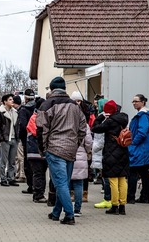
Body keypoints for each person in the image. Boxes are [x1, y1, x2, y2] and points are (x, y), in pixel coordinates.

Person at [37, 76, 87, 225]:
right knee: (63, 182)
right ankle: (56, 212)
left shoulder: (46, 105)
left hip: (55, 148)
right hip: (71, 149)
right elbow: (83, 129)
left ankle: (69, 215)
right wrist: (76, 143)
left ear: (51, 89)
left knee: (60, 184)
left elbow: (41, 129)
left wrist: (43, 148)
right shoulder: (75, 106)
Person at [91, 100, 130, 215]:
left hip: (111, 152)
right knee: (122, 180)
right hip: (123, 152)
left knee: (113, 180)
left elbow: (95, 128)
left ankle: (114, 205)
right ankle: (123, 205)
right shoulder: (123, 119)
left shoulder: (110, 121)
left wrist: (100, 117)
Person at [127, 94, 149, 204]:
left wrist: (133, 143)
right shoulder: (145, 115)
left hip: (141, 148)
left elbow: (142, 132)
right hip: (146, 148)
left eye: (136, 101)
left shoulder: (143, 116)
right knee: (144, 173)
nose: (134, 103)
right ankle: (145, 197)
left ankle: (130, 197)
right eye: (133, 101)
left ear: (143, 102)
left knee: (133, 172)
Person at [0, 93, 20, 187]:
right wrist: (1, 139)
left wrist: (18, 137)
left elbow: (17, 126)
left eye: (12, 99)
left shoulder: (15, 112)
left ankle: (11, 178)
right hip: (5, 139)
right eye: (10, 99)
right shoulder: (0, 112)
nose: (12, 101)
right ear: (5, 101)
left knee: (12, 161)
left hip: (14, 139)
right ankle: (3, 179)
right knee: (3, 160)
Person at [26, 97, 48, 203]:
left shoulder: (38, 117)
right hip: (35, 151)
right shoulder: (34, 118)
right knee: (38, 173)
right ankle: (38, 195)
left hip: (39, 151)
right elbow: (37, 132)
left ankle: (40, 193)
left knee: (41, 173)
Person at [91, 98, 113, 209]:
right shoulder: (118, 119)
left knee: (106, 177)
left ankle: (108, 198)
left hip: (104, 151)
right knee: (115, 178)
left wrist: (99, 118)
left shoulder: (105, 120)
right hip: (115, 151)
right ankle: (115, 199)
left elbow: (96, 132)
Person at [70, 126, 92, 216]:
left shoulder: (67, 121)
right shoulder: (84, 124)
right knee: (78, 183)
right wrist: (87, 151)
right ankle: (77, 209)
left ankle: (66, 207)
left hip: (67, 154)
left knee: (65, 184)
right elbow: (88, 141)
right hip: (81, 155)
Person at [17, 88, 36, 193]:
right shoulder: (38, 107)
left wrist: (20, 136)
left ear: (25, 98)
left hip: (27, 139)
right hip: (38, 138)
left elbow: (23, 126)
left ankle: (31, 186)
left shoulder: (23, 110)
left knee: (28, 163)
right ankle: (37, 185)